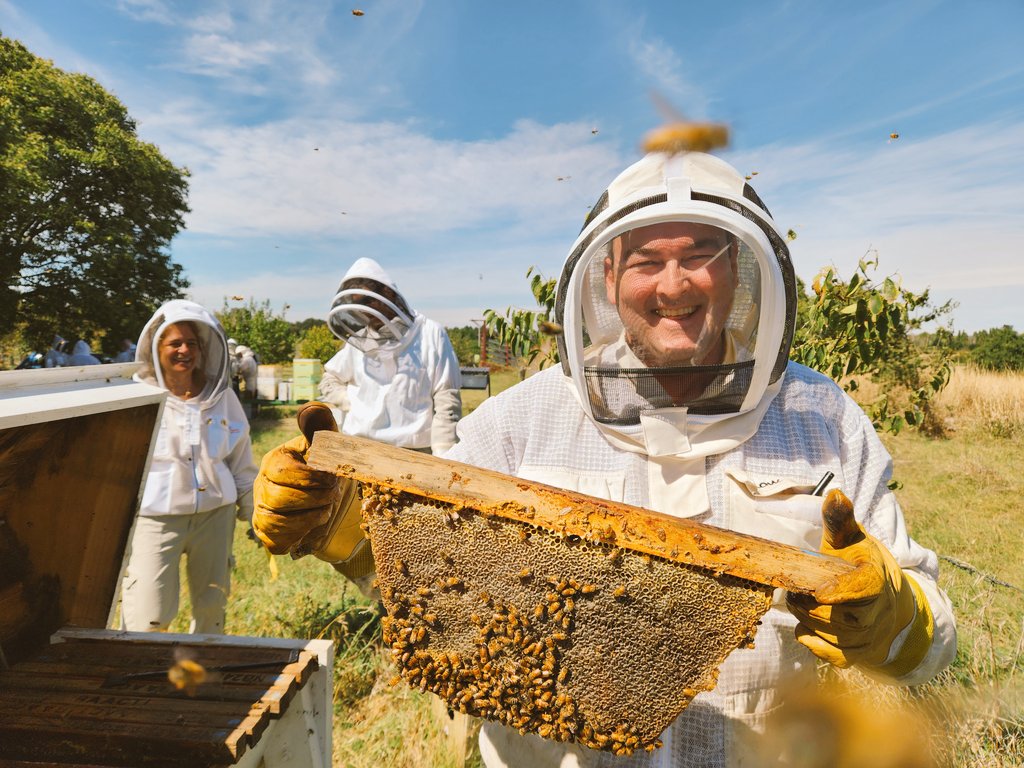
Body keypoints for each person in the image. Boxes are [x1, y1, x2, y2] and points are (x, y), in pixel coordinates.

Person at [251, 153, 956, 766]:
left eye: (701, 255)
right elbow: (431, 589)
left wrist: (897, 618)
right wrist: (344, 526)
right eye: (646, 260)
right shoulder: (517, 425)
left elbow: (932, 651)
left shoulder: (821, 419)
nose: (673, 284)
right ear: (608, 276)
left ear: (742, 271)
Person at [120, 299, 257, 635]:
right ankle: (138, 679)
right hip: (156, 518)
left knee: (211, 608)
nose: (184, 350)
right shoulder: (138, 397)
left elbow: (240, 454)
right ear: (156, 347)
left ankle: (202, 678)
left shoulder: (221, 394)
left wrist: (251, 509)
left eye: (192, 343)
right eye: (175, 343)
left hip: (215, 514)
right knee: (149, 614)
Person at [316, 256, 462, 454]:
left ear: (387, 294)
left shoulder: (431, 334)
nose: (364, 311)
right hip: (360, 447)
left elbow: (447, 400)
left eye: (368, 301)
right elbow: (330, 380)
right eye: (358, 304)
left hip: (415, 451)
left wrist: (444, 456)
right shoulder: (361, 341)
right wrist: (351, 403)